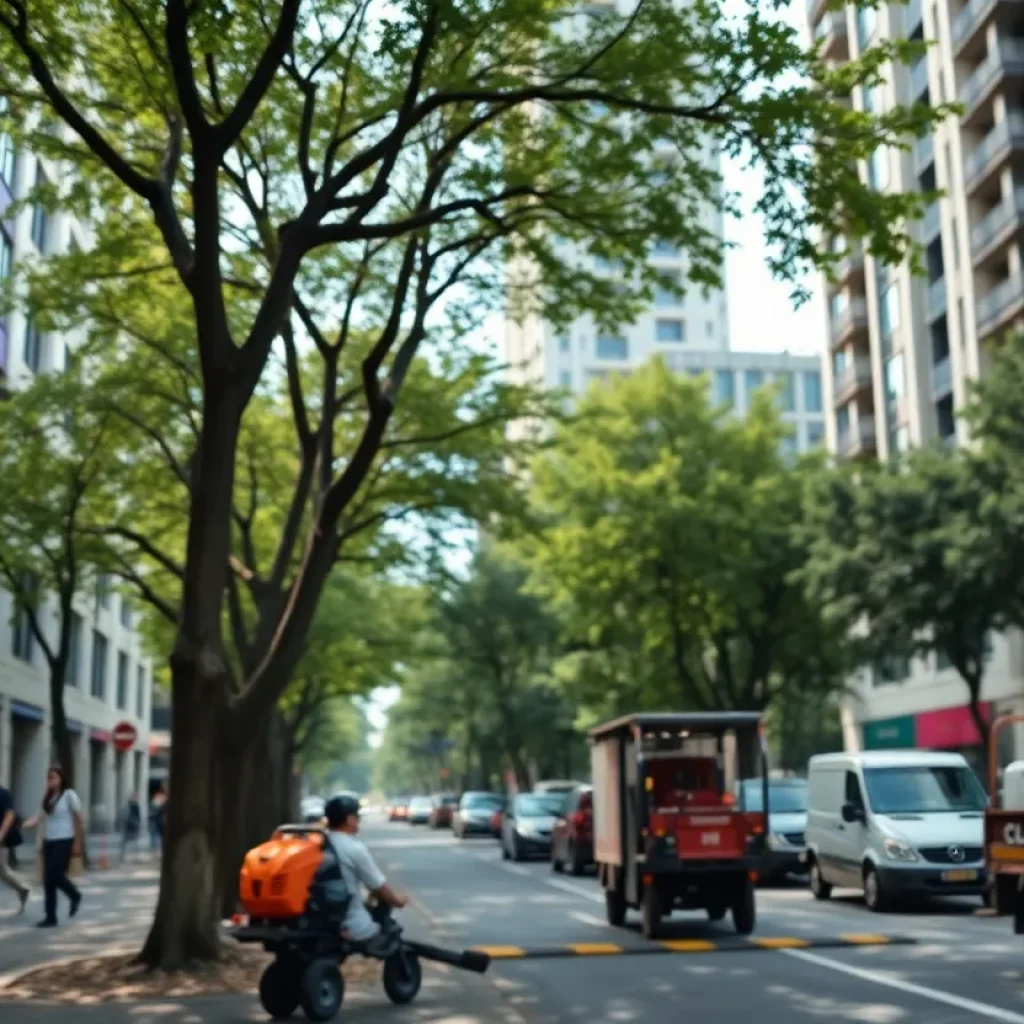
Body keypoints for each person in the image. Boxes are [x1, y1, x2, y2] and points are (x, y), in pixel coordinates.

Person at [323, 793, 406, 943]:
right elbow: (378, 886)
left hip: (323, 921)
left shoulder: (320, 844)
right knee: (391, 936)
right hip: (353, 925)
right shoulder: (354, 847)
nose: (359, 820)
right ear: (349, 819)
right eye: (356, 816)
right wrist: (398, 901)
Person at [22, 766, 83, 928]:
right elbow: (39, 817)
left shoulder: (69, 795)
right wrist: (23, 824)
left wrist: (77, 843)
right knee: (48, 881)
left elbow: (79, 818)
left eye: (53, 777)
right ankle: (50, 917)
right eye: (48, 778)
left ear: (61, 779)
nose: (50, 781)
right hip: (49, 840)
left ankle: (74, 894)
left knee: (55, 874)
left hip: (64, 840)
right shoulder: (48, 797)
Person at [0, 783, 29, 915]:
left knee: (3, 871)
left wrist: (1, 835)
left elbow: (10, 815)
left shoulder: (3, 793)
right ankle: (22, 889)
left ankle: (22, 889)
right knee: (3, 870)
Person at [121, 793, 141, 862]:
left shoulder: (130, 805)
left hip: (130, 825)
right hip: (131, 825)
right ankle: (129, 855)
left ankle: (128, 855)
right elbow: (138, 816)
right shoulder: (133, 805)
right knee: (129, 841)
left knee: (128, 841)